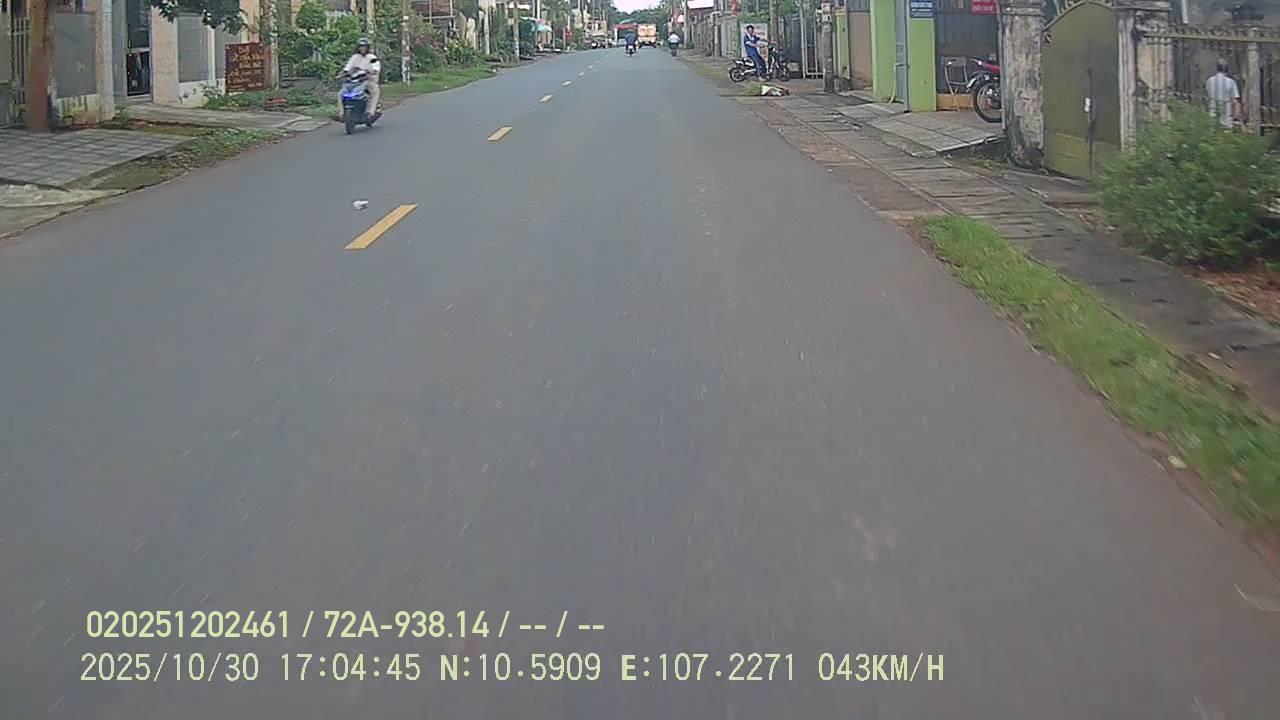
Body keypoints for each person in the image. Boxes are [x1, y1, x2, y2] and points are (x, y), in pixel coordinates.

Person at [338, 37, 381, 121]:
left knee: (375, 91)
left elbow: (375, 69)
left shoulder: (372, 58)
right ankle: (341, 113)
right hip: (354, 81)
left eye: (364, 47)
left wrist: (371, 71)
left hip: (368, 80)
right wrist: (341, 74)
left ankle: (371, 112)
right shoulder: (355, 57)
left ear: (367, 48)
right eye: (360, 46)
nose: (362, 48)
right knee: (341, 93)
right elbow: (347, 68)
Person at [1206, 58, 1243, 130]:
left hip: (1212, 115)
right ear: (1227, 69)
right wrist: (1237, 118)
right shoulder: (1231, 82)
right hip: (1226, 116)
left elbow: (1208, 96)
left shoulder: (1209, 81)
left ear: (1217, 68)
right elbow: (1235, 102)